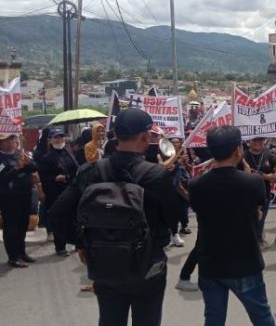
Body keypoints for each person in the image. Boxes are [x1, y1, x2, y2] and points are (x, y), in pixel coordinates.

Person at [50, 108, 180, 326]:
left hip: (104, 265)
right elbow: (173, 218)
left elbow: (55, 215)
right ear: (146, 136)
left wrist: (84, 243)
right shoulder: (156, 175)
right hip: (148, 267)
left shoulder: (90, 171)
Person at [188, 126, 275, 326]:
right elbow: (258, 211)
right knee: (262, 317)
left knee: (213, 319)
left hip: (211, 263)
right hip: (245, 262)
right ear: (238, 150)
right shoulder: (253, 182)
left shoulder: (196, 184)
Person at [38, 127, 79, 256]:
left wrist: (68, 177)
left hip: (71, 190)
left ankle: (76, 243)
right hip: (55, 193)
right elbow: (42, 177)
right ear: (50, 140)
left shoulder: (68, 152)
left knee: (74, 218)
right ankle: (60, 247)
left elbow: (75, 170)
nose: (59, 139)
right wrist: (54, 178)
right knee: (59, 219)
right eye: (55, 137)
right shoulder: (46, 158)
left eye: (61, 137)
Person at [0, 133, 38, 268]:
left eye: (12, 139)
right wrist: (17, 168)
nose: (10, 142)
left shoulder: (19, 153)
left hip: (25, 195)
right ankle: (13, 257)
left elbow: (34, 168)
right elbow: (3, 179)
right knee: (11, 228)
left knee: (23, 225)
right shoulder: (1, 158)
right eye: (6, 140)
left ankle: (22, 253)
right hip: (9, 198)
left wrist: (28, 162)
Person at [243, 136, 276, 247]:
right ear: (250, 141)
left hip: (264, 194)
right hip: (247, 194)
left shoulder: (268, 153)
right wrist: (264, 176)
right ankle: (248, 241)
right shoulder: (243, 156)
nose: (258, 142)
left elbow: (275, 174)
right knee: (247, 220)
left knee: (261, 219)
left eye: (260, 140)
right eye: (255, 140)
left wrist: (268, 176)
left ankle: (257, 239)